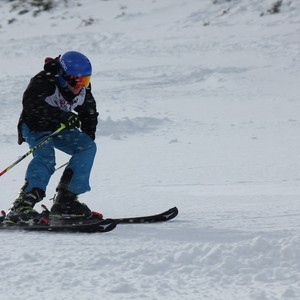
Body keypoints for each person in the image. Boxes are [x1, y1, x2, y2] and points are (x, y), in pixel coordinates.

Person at [6, 51, 99, 222]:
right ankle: (23, 204)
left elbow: (88, 110)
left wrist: (88, 133)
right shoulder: (43, 81)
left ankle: (66, 200)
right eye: (76, 80)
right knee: (46, 158)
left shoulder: (82, 90)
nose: (81, 85)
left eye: (85, 80)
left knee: (87, 147)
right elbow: (32, 106)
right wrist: (61, 116)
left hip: (59, 128)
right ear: (63, 76)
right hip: (35, 126)